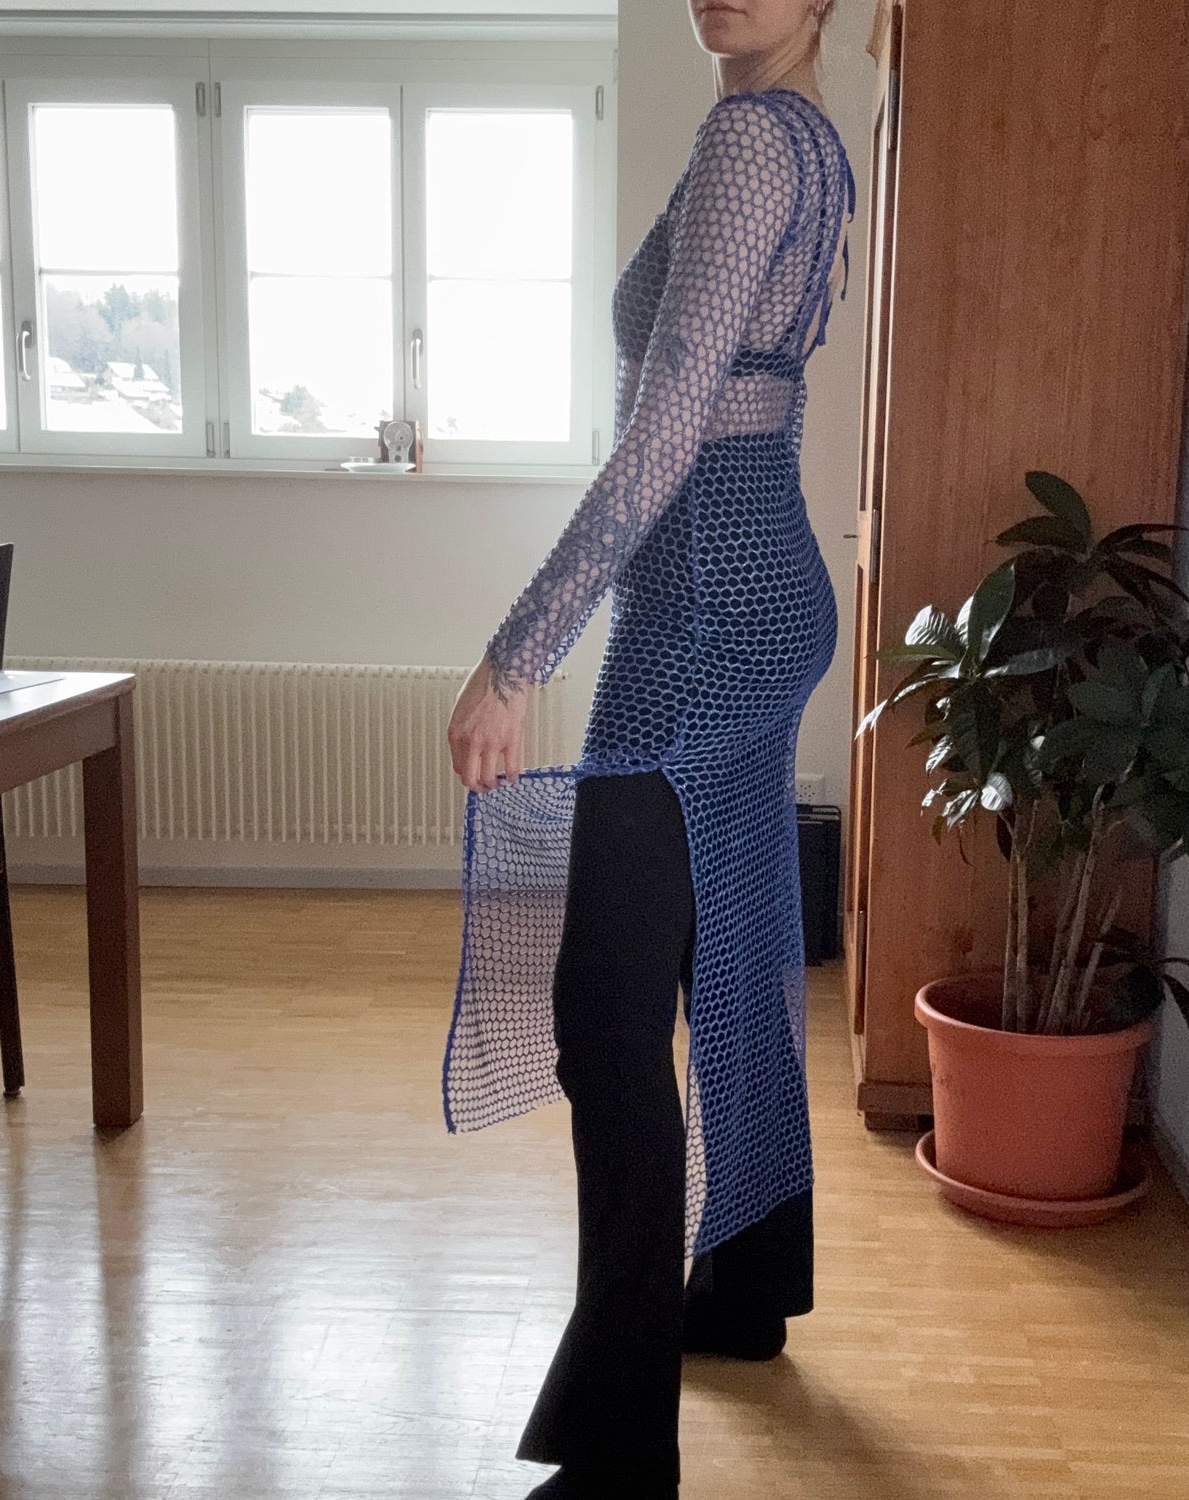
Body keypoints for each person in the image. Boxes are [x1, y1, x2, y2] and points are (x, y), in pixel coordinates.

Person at [445, 2, 855, 1494]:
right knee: (735, 951)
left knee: (604, 1017)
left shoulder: (751, 139)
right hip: (765, 590)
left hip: (699, 619)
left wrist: (516, 658)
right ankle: (743, 1288)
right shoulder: (815, 141)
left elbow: (665, 429)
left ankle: (621, 1456)